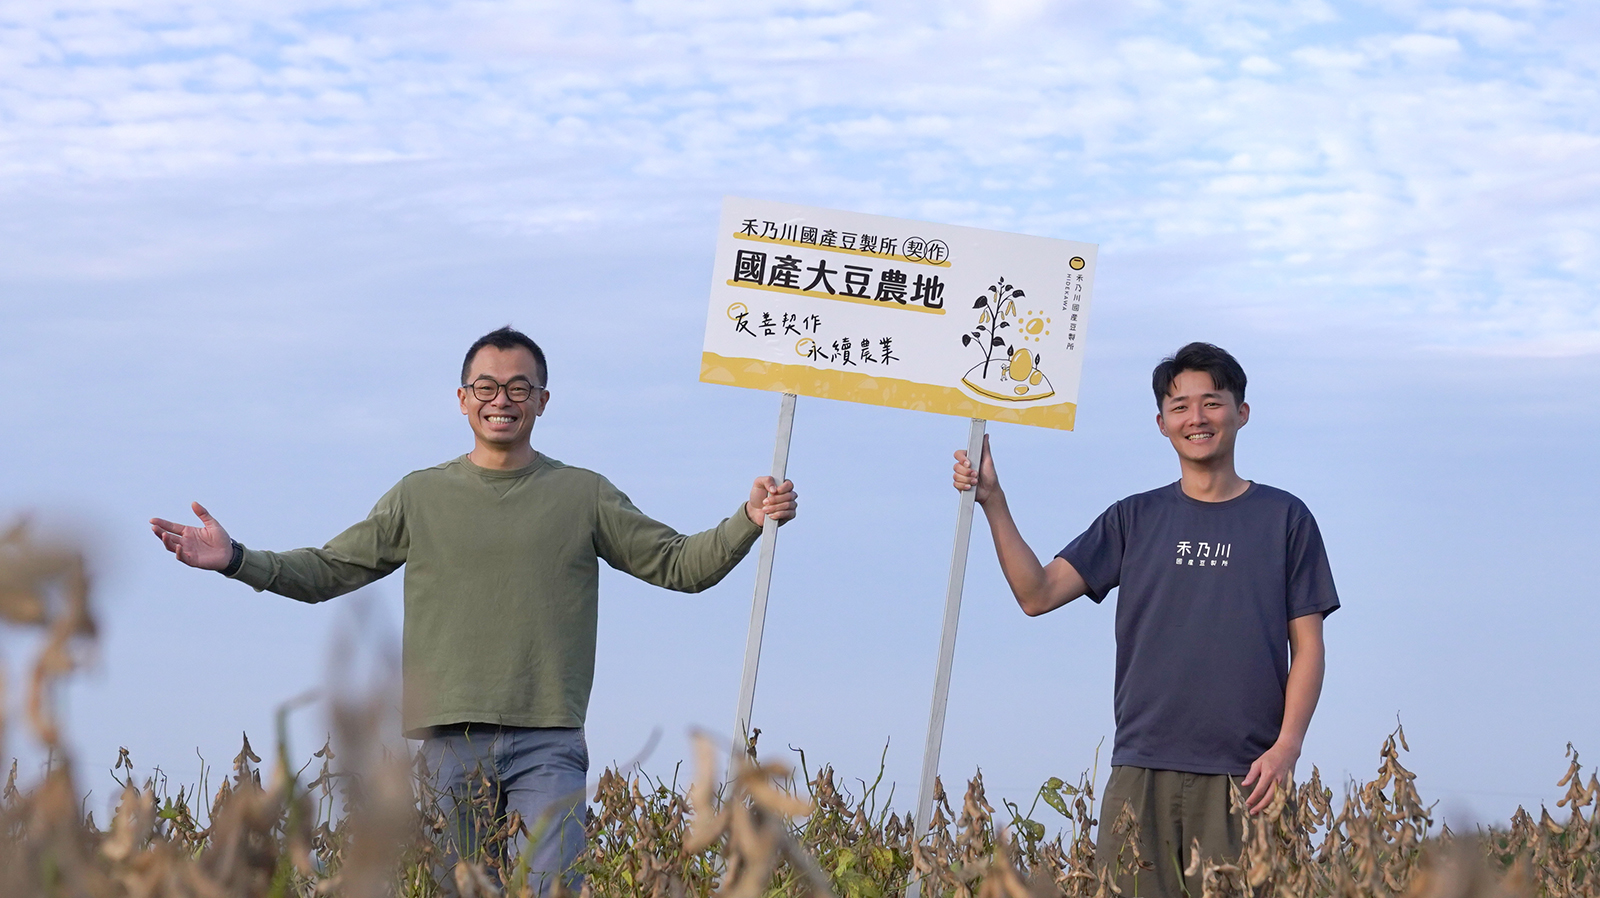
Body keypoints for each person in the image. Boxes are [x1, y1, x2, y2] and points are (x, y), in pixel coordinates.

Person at [151, 326, 798, 895]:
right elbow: (328, 570)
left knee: (548, 889)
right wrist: (236, 558)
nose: (502, 401)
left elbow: (681, 566)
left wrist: (748, 519)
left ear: (543, 401)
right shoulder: (421, 495)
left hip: (547, 736)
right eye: (486, 387)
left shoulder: (583, 495)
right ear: (462, 400)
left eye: (520, 389)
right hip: (444, 742)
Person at [952, 342, 1337, 898]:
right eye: (1180, 406)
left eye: (1212, 402)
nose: (1196, 418)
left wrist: (1287, 748)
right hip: (1141, 768)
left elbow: (1310, 647)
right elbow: (1035, 594)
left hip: (1247, 774)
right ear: (1161, 423)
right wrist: (992, 499)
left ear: (1241, 412)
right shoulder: (1134, 518)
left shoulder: (1285, 518)